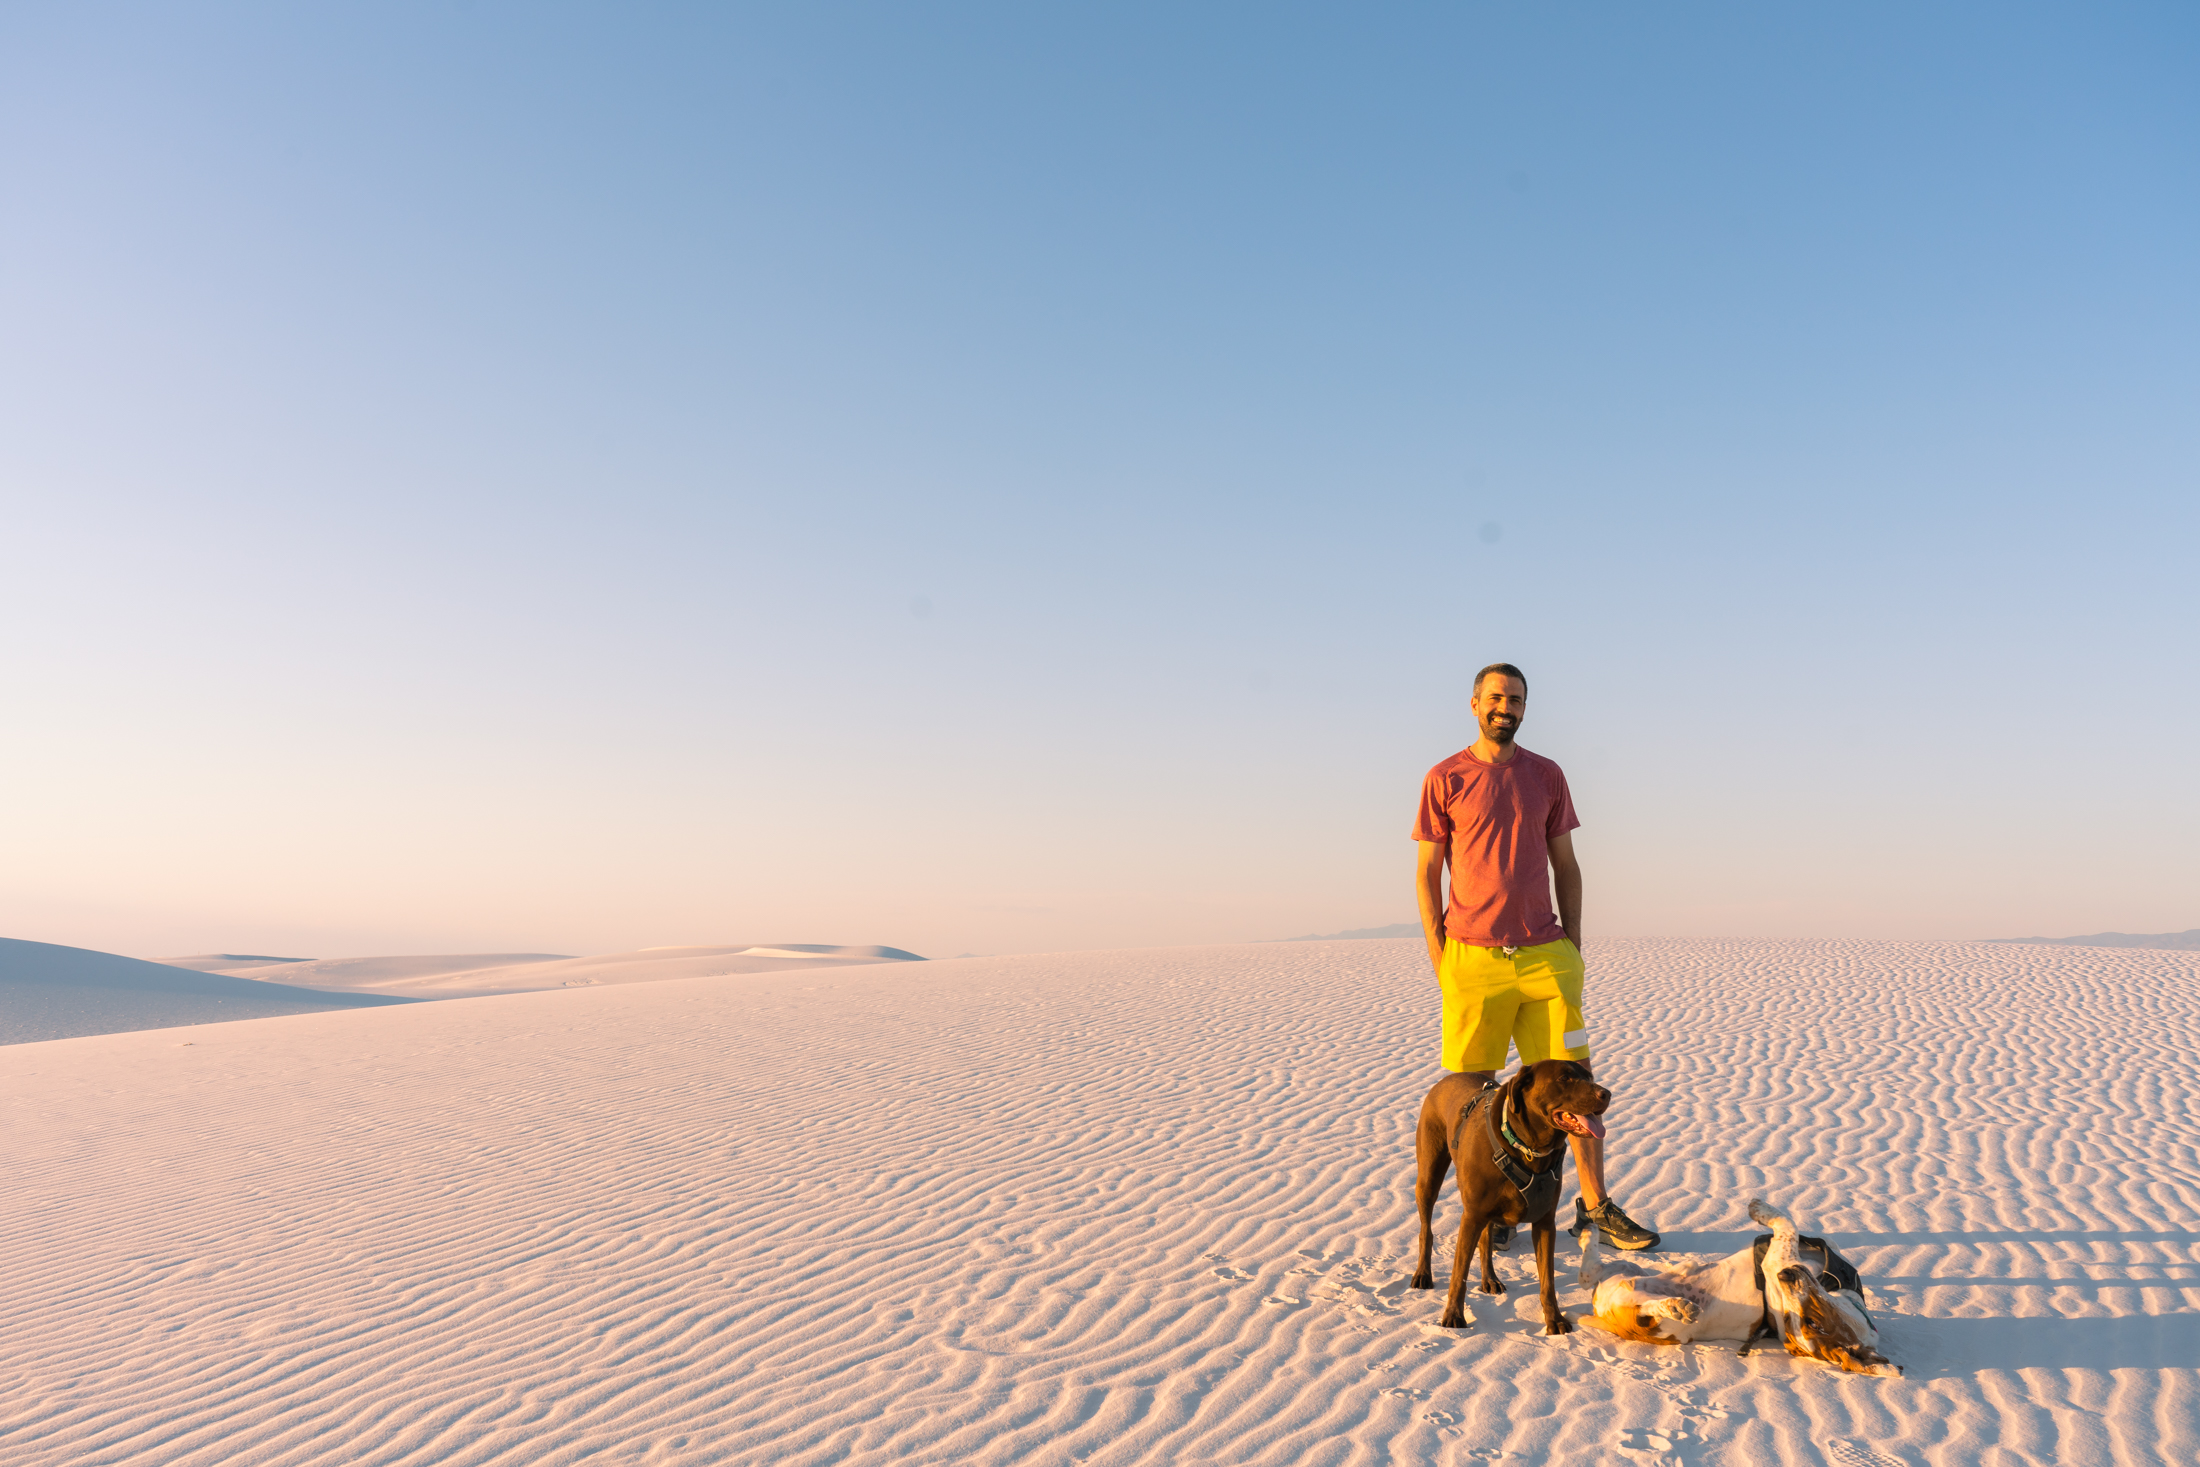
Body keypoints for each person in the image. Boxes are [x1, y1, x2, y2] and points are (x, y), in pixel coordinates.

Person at [1412, 662, 1659, 1251]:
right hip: (1472, 957)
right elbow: (1426, 873)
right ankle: (1493, 1201)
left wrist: (1572, 944)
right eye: (1496, 697)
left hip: (1547, 958)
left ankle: (1594, 1206)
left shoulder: (1546, 775)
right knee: (1475, 1089)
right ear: (1475, 703)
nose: (1507, 707)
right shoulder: (1444, 778)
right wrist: (1439, 955)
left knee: (1576, 1084)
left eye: (1517, 699)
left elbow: (1565, 864)